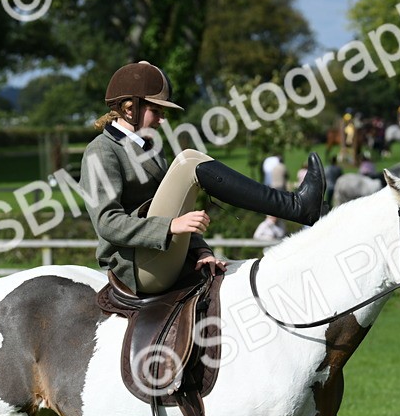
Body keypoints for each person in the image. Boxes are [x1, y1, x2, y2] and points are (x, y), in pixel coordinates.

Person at [79, 61, 325, 295]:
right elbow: (107, 222)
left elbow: (173, 210)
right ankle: (296, 206)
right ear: (129, 108)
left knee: (187, 163)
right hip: (137, 269)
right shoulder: (102, 150)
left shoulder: (150, 148)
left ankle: (296, 206)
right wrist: (171, 226)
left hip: (163, 255)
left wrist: (201, 250)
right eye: (156, 111)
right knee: (188, 162)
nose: (162, 119)